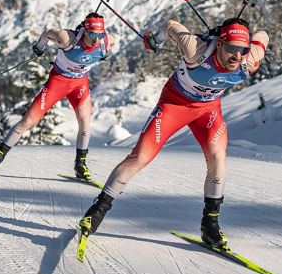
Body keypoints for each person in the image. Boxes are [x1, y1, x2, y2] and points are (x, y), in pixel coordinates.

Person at [78, 15, 269, 247]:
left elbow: (263, 37)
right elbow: (170, 25)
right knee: (140, 157)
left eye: (242, 50)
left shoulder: (247, 58)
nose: (237, 57)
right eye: (231, 49)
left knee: (218, 160)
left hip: (207, 111)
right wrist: (155, 40)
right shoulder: (196, 49)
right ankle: (96, 211)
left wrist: (252, 50)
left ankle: (210, 226)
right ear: (219, 43)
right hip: (174, 105)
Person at [0, 12, 114, 181]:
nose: (97, 39)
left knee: (85, 123)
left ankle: (80, 165)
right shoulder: (67, 38)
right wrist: (40, 46)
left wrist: (107, 52)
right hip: (57, 82)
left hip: (79, 84)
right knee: (28, 121)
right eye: (93, 35)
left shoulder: (104, 42)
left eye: (100, 34)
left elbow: (111, 43)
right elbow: (47, 33)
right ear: (86, 31)